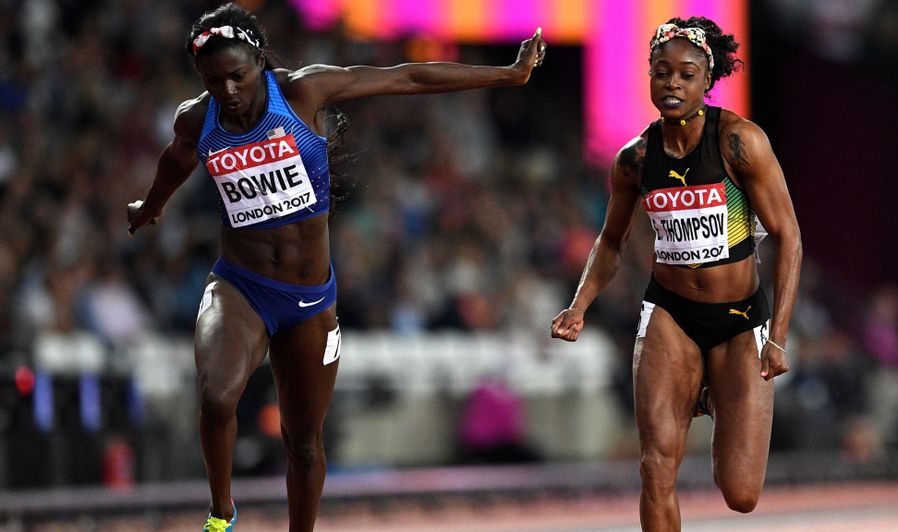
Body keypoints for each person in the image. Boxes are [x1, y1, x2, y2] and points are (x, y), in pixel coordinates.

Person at [126, 4, 546, 530]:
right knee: (216, 397)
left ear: (260, 61)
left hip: (308, 300)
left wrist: (507, 73)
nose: (229, 92)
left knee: (303, 442)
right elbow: (178, 157)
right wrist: (152, 204)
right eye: (214, 82)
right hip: (241, 285)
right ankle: (220, 514)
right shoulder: (197, 116)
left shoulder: (303, 92)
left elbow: (407, 76)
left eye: (238, 76)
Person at [551, 16, 801, 530]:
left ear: (707, 80)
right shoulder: (635, 159)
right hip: (671, 314)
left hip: (738, 321)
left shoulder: (739, 142)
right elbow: (611, 241)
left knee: (741, 494)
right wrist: (579, 305)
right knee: (655, 468)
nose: (672, 84)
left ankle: (709, 391)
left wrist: (777, 336)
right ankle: (693, 383)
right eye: (662, 73)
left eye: (686, 75)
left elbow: (790, 237)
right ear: (648, 77)